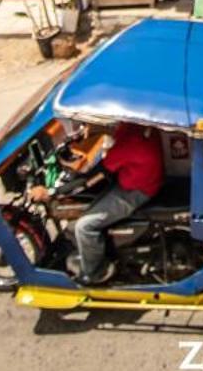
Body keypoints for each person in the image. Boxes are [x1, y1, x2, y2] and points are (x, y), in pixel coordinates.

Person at [68, 121, 165, 285]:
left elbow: (96, 173)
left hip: (135, 192)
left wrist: (59, 189)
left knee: (84, 226)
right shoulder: (136, 127)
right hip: (146, 180)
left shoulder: (127, 144)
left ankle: (93, 273)